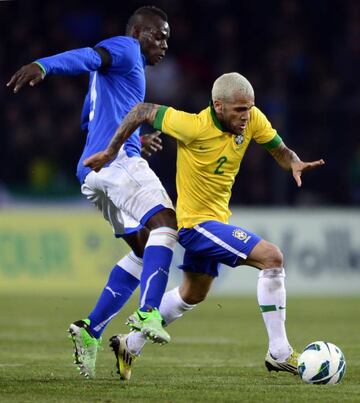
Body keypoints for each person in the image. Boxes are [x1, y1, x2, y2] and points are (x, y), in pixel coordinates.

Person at [84, 72, 325, 381]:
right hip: (195, 225)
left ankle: (129, 344)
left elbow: (278, 149)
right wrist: (110, 151)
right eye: (238, 110)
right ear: (218, 105)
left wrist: (293, 161)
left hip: (216, 220)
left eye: (249, 108)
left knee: (192, 294)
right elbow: (141, 111)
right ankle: (278, 352)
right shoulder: (193, 126)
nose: (245, 116)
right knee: (272, 258)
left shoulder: (253, 119)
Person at [7, 6, 178, 379]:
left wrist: (135, 137)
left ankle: (92, 329)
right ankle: (149, 311)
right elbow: (89, 56)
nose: (165, 43)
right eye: (159, 34)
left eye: (167, 36)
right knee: (167, 223)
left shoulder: (119, 75)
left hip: (92, 172)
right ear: (138, 32)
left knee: (142, 247)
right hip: (114, 166)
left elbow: (91, 117)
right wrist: (44, 65)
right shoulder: (126, 49)